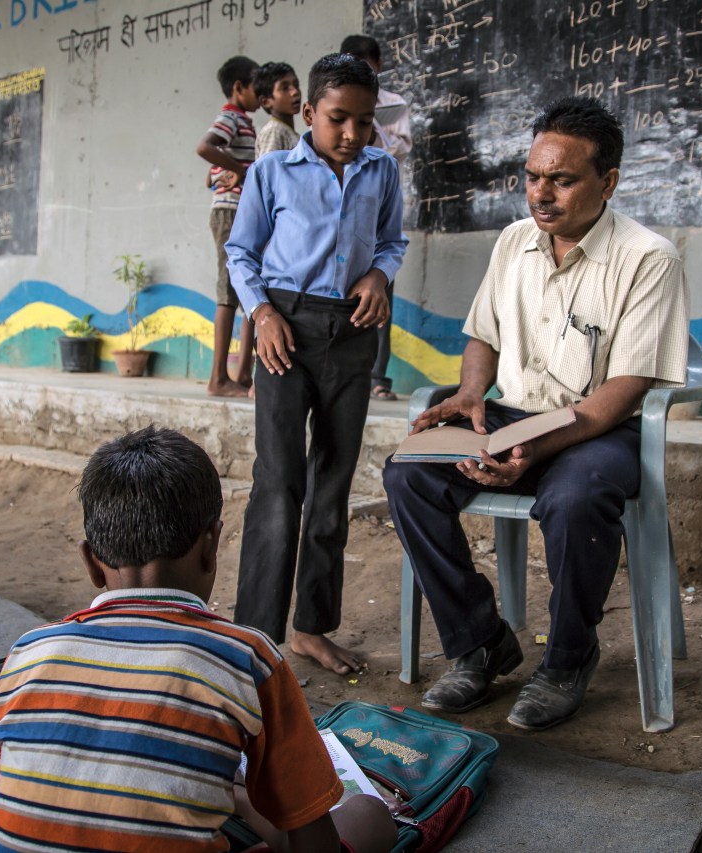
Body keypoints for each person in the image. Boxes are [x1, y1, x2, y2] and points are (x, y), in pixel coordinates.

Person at [0, 426, 397, 853]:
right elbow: (314, 841)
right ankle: (238, 798)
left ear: (90, 562)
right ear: (212, 545)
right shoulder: (249, 659)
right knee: (367, 817)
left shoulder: (27, 650)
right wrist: (252, 806)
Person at [383, 96, 691, 732]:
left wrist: (537, 448)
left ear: (608, 181)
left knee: (577, 498)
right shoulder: (515, 242)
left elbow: (622, 391)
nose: (539, 194)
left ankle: (568, 658)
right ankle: (480, 643)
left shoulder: (647, 258)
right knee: (407, 473)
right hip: (509, 415)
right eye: (532, 175)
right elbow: (483, 336)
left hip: (596, 432)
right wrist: (471, 394)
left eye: (562, 179)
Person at [225, 53, 407, 675]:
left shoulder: (382, 171)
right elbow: (240, 253)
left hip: (352, 332)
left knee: (332, 482)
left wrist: (381, 274)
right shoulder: (272, 173)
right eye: (338, 120)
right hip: (286, 331)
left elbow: (391, 240)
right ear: (308, 114)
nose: (353, 134)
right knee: (279, 482)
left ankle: (310, 628)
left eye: (364, 121)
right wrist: (263, 315)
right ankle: (254, 632)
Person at [340, 34, 412, 402]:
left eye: (364, 67)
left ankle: (377, 377)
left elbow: (400, 147)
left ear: (378, 65)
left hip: (377, 204)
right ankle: (347, 373)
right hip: (343, 206)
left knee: (379, 291)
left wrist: (374, 131)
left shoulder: (393, 105)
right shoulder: (334, 103)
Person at [198, 55, 260, 398]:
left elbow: (211, 170)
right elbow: (205, 147)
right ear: (239, 88)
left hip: (240, 211)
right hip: (229, 212)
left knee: (246, 289)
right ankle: (218, 378)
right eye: (256, 84)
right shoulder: (231, 117)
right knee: (228, 292)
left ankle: (241, 375)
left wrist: (227, 167)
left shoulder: (244, 122)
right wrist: (241, 168)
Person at [253, 61, 303, 159]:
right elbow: (268, 171)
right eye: (285, 88)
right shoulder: (274, 132)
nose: (295, 92)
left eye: (296, 85)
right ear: (266, 102)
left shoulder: (285, 131)